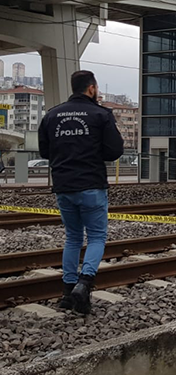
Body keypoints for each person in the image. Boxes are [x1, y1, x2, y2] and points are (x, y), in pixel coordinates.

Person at [37, 70, 124, 314]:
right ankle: (84, 284)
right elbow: (114, 150)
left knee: (73, 237)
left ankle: (67, 291)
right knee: (96, 237)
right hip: (92, 185)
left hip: (63, 185)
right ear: (91, 88)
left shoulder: (51, 115)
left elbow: (45, 152)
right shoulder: (101, 114)